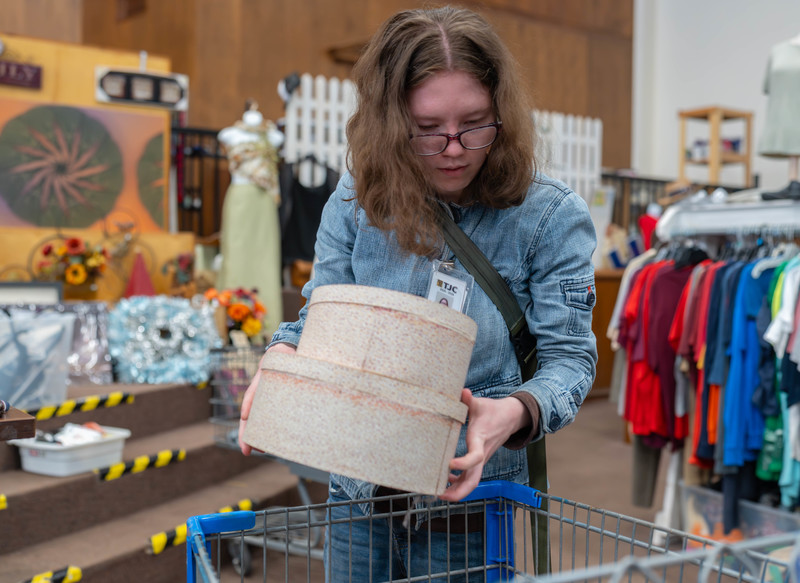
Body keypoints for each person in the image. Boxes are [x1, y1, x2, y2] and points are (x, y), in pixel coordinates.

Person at [238, 6, 597, 581]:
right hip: (356, 485)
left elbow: (571, 361)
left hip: (468, 499)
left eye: (475, 123)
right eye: (427, 129)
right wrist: (285, 352)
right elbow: (320, 313)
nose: (453, 148)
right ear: (389, 120)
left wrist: (511, 412)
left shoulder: (548, 215)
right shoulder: (359, 197)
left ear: (501, 110)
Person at [217, 101, 284, 339]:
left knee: (265, 258)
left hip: (263, 203)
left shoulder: (273, 136)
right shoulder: (229, 134)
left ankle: (267, 327)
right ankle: (232, 327)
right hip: (239, 200)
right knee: (235, 256)